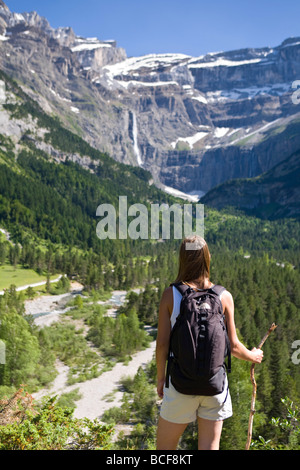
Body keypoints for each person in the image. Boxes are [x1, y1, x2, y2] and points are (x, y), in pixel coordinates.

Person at [156, 235, 264, 450]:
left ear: (182, 259)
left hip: (180, 386)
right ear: (208, 258)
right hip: (215, 387)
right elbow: (233, 346)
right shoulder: (223, 296)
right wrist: (253, 355)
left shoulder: (172, 294)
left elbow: (162, 345)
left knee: (164, 450)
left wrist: (161, 379)